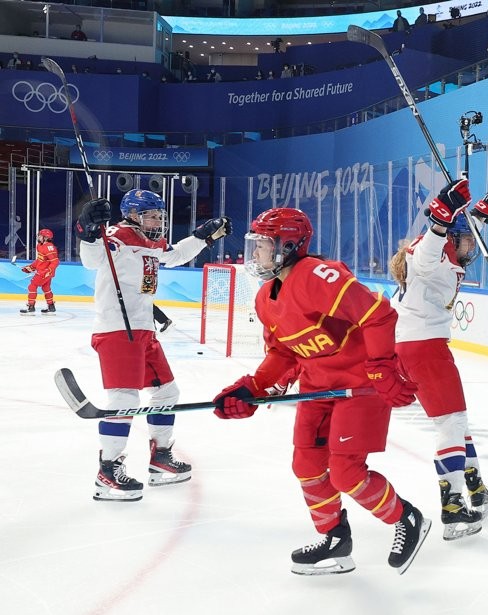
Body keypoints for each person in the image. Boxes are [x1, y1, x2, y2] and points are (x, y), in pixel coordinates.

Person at [212, 208, 431, 575]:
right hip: (317, 387)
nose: (256, 254)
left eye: (264, 245)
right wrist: (253, 387)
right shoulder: (266, 297)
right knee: (308, 464)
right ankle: (335, 540)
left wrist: (380, 367)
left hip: (358, 384)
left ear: (289, 245)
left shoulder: (316, 275)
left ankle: (406, 518)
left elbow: (378, 314)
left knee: (346, 472)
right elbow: (283, 353)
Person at [75, 190, 231, 501]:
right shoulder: (115, 235)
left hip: (144, 330)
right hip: (118, 330)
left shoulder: (152, 242)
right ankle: (107, 472)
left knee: (167, 392)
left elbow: (173, 255)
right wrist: (87, 228)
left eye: (160, 215)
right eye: (151, 215)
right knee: (123, 398)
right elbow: (92, 260)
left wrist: (203, 236)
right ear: (132, 214)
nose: (158, 220)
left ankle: (161, 459)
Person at [389, 179, 488, 540]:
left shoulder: (445, 249)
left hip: (415, 346)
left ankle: (474, 486)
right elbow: (432, 244)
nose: (472, 245)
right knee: (451, 423)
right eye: (466, 239)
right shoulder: (430, 252)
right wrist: (441, 215)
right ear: (450, 239)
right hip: (425, 347)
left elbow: (464, 228)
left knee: (457, 421)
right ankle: (454, 506)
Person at [19, 228, 59, 314]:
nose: (38, 237)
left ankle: (31, 306)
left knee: (32, 286)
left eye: (40, 236)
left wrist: (48, 271)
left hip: (45, 272)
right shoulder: (40, 246)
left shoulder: (49, 247)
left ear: (45, 238)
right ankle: (51, 306)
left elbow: (55, 261)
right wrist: (30, 267)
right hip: (43, 272)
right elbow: (39, 260)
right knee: (46, 288)